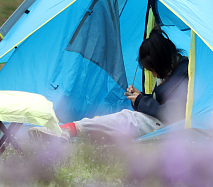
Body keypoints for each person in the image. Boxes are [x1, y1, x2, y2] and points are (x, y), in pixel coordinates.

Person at [29, 28, 188, 142]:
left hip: (173, 126)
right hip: (158, 122)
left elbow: (171, 112)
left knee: (126, 118)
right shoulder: (173, 71)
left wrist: (141, 100)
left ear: (162, 62)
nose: (153, 75)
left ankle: (67, 130)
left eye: (153, 70)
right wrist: (140, 97)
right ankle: (67, 130)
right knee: (122, 121)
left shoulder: (185, 75)